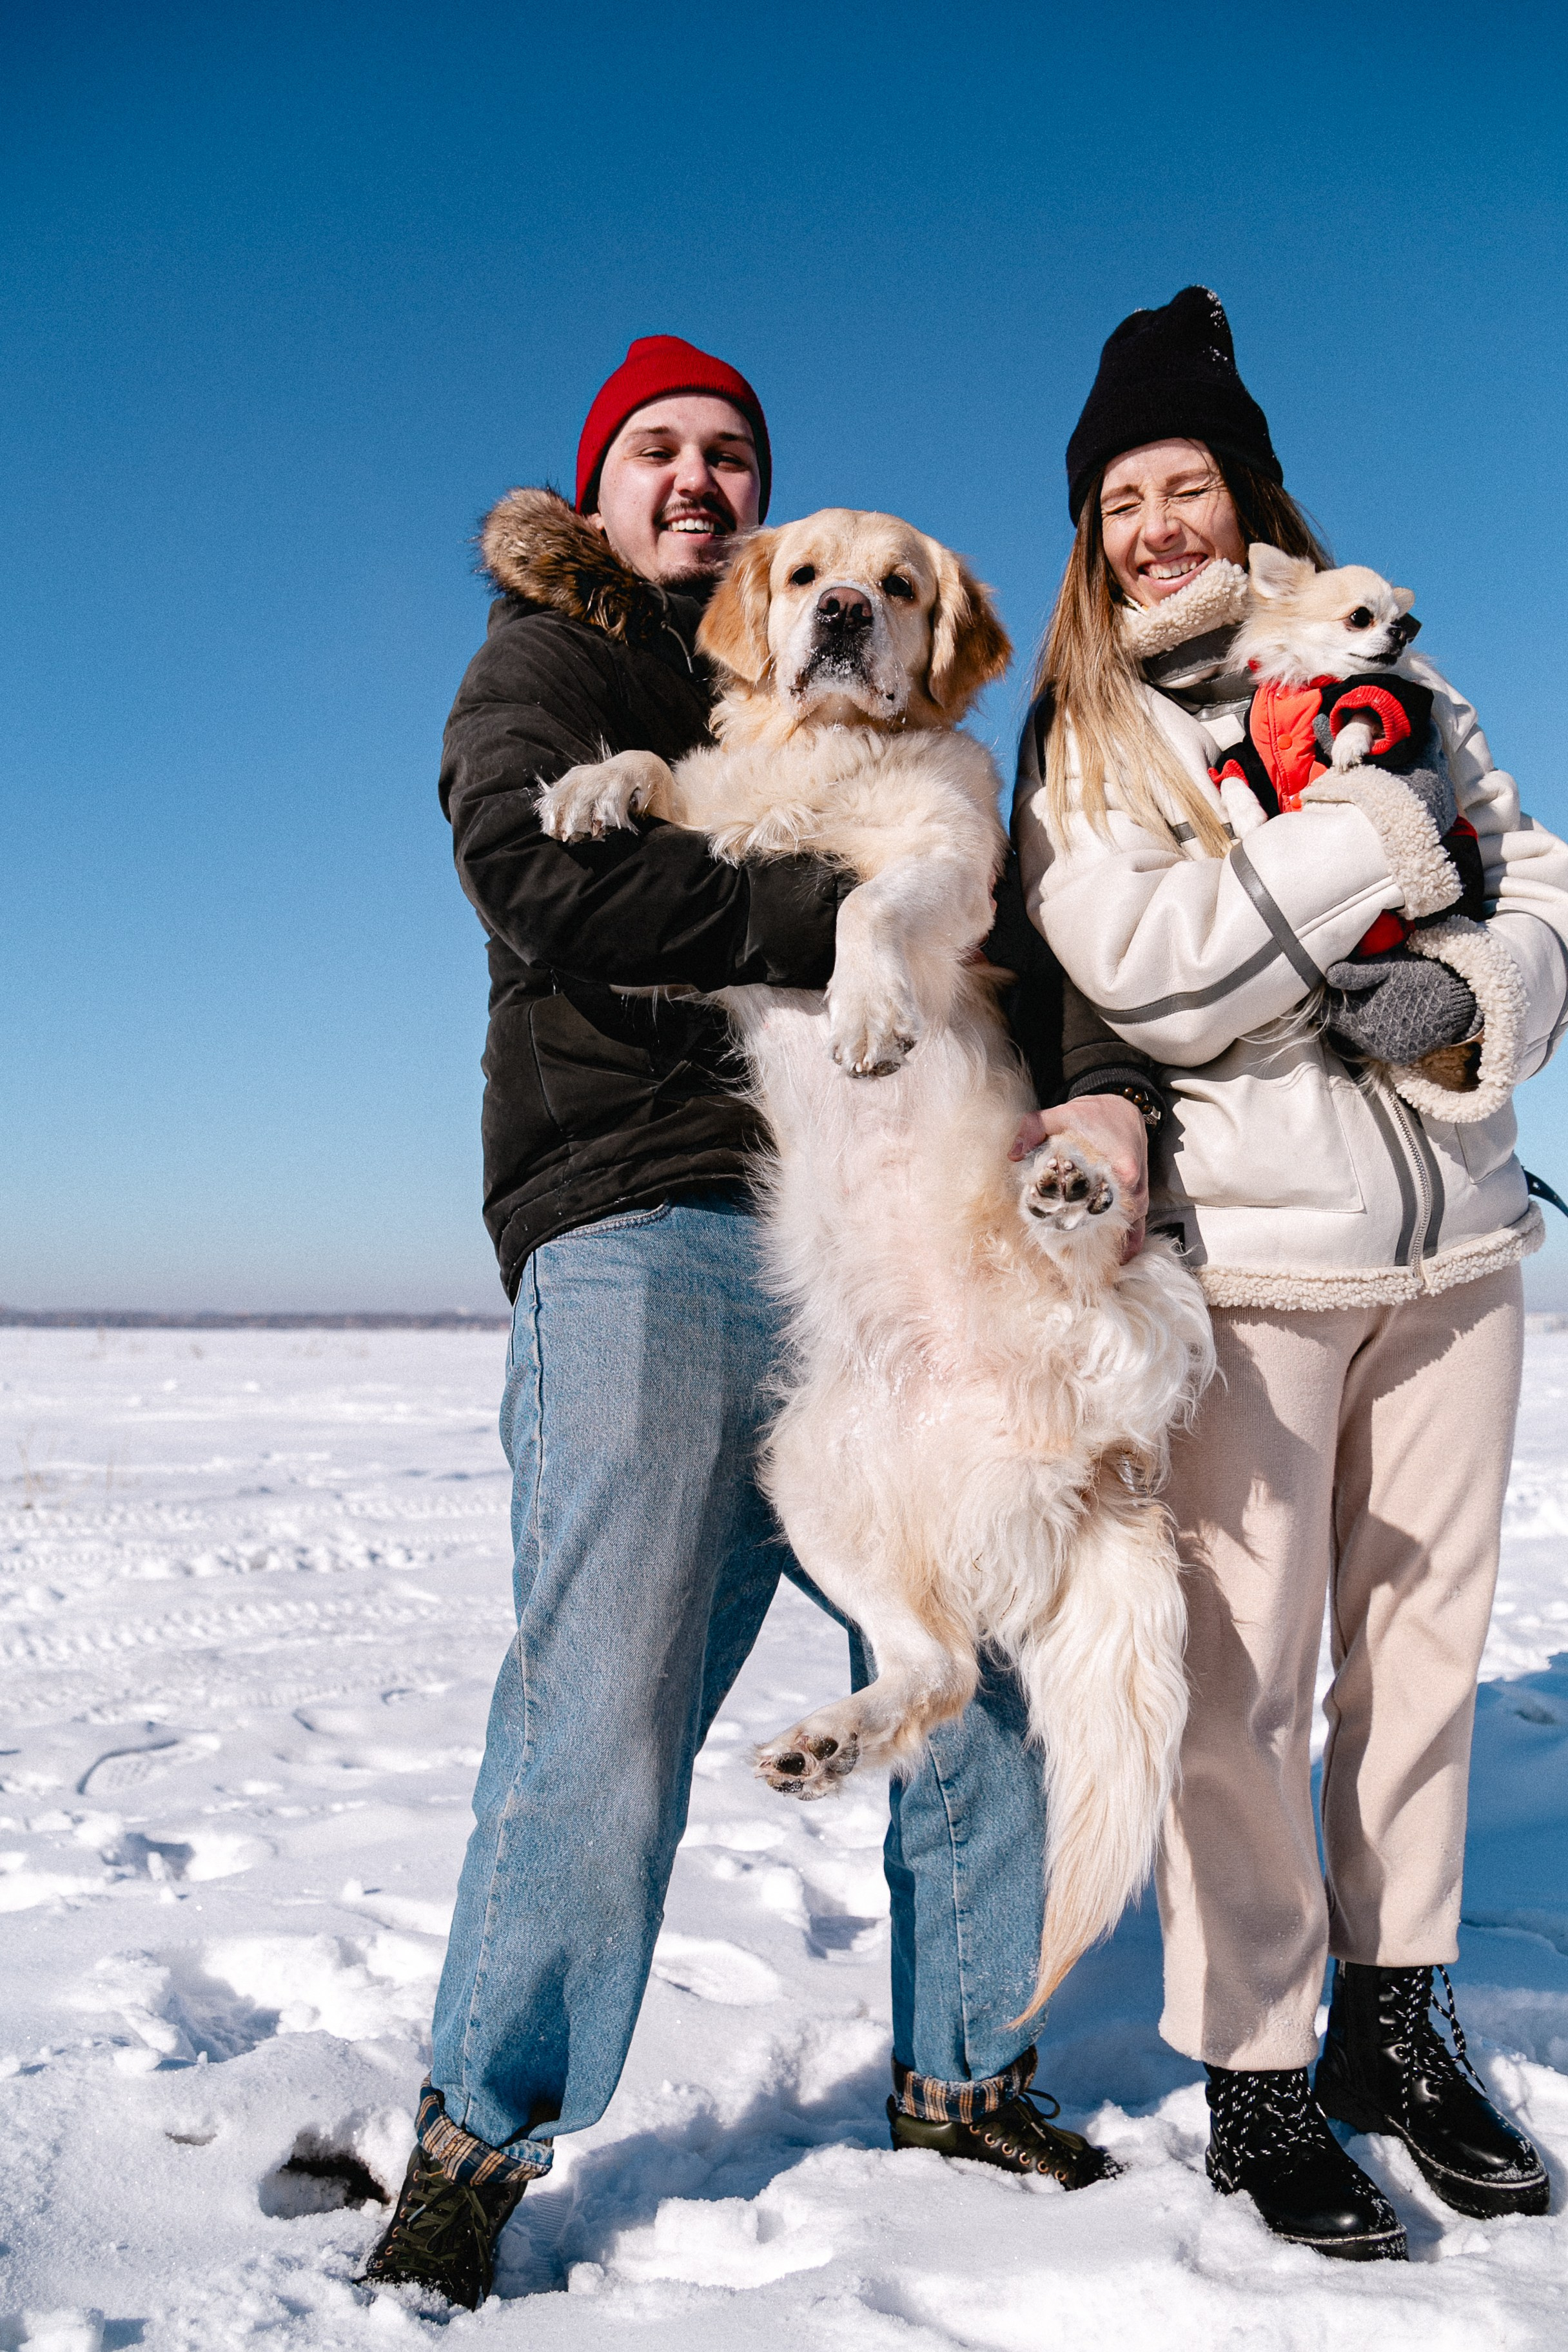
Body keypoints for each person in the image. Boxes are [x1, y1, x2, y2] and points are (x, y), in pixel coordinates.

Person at [363, 335, 1155, 2308]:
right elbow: (541, 884)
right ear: (613, 495)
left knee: (966, 1650)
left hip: (878, 1223)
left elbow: (1006, 926)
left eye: (734, 452)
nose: (703, 480)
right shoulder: (553, 671)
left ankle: (968, 2077)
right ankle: (479, 2136)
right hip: (643, 1216)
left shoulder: (900, 729)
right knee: (609, 1697)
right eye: (664, 453)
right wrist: (831, 917)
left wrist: (1091, 1092)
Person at [1014, 286, 1568, 2260]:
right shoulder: (1086, 739)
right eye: (1125, 500)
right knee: (1244, 1686)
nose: (1160, 524)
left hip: (1464, 1242)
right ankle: (1256, 2074)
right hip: (1252, 1274)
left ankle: (1394, 2033)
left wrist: (1481, 983)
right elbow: (1143, 965)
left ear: (1253, 501)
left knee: (1422, 1662)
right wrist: (1362, 843)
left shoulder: (1392, 666)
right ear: (1093, 536)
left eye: (1192, 485)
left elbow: (1534, 870)